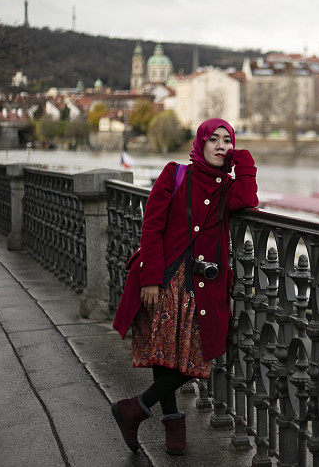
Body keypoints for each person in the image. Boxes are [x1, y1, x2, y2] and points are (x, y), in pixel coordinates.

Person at [110, 118, 258, 455]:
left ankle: (134, 409)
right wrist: (149, 278)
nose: (221, 146)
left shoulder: (227, 188)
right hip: (165, 277)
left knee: (196, 359)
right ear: (200, 143)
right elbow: (151, 226)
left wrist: (243, 158)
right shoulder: (175, 174)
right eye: (214, 139)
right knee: (164, 353)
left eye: (228, 140)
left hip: (203, 287)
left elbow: (248, 197)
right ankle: (173, 423)